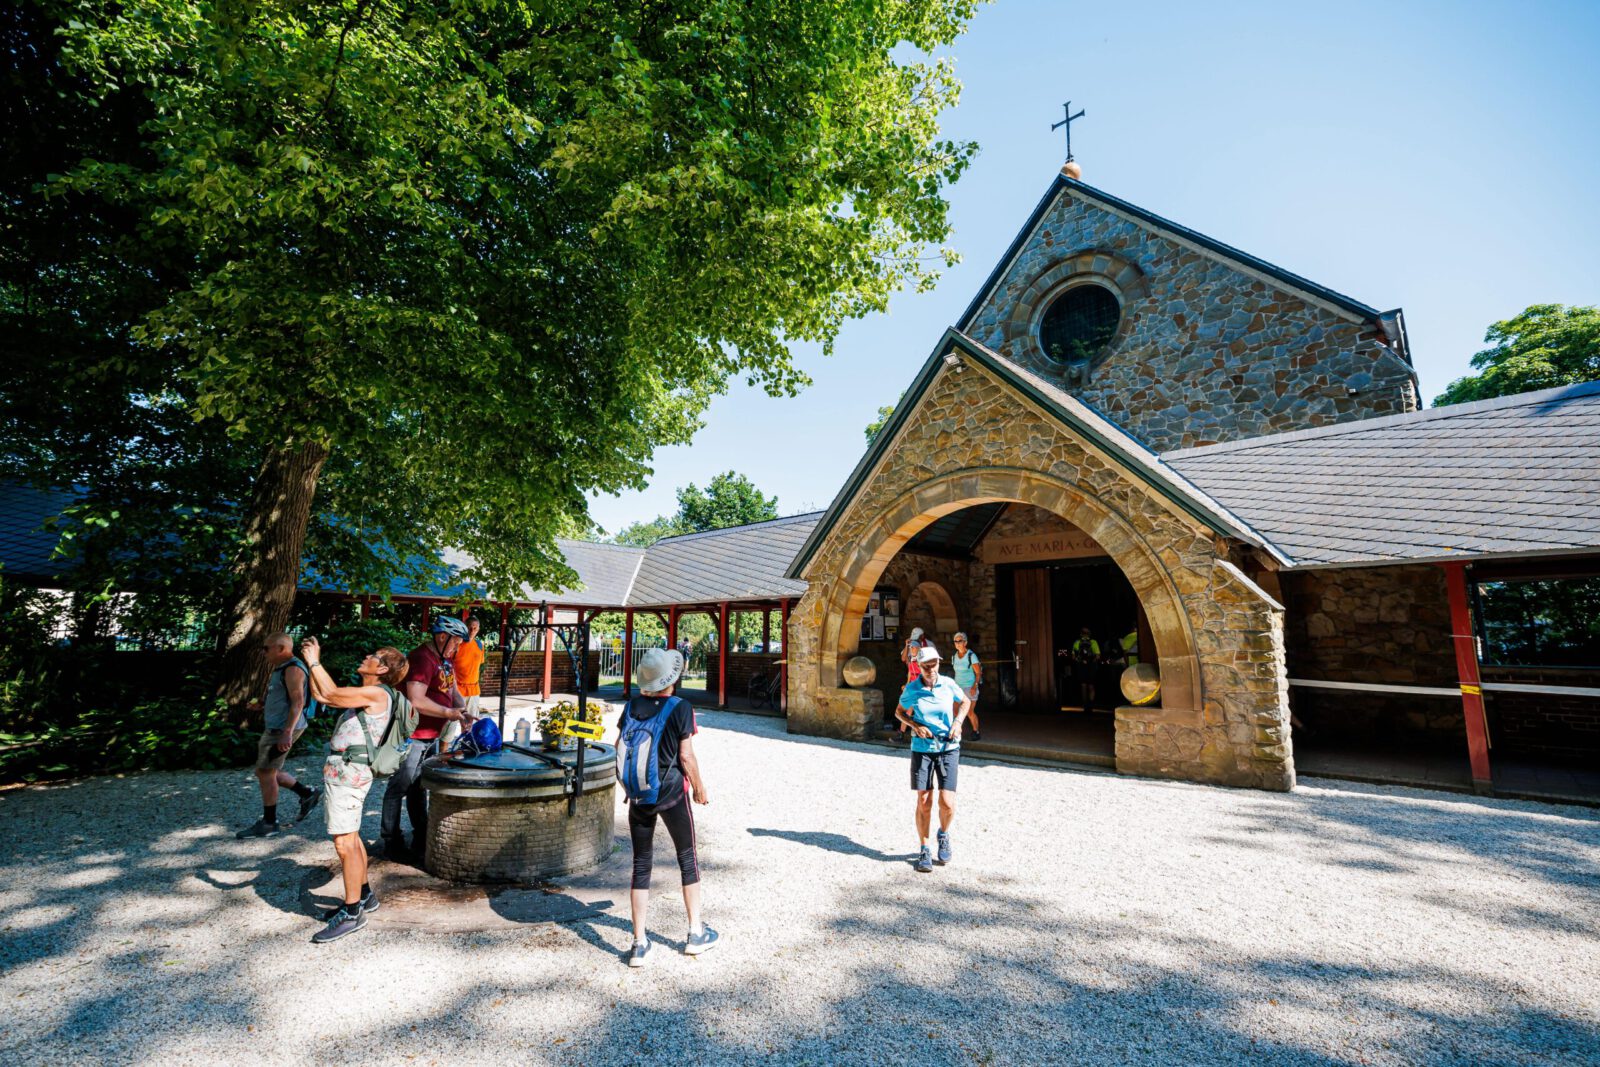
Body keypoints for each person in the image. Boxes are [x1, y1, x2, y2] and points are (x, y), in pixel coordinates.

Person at [299, 636, 409, 944]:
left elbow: (331, 692)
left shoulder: (376, 693)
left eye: (373, 655)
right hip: (348, 772)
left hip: (348, 774)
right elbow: (324, 697)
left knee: (344, 843)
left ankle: (351, 913)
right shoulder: (371, 693)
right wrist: (312, 666)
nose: (366, 656)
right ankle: (364, 896)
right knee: (353, 836)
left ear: (383, 668)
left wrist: (314, 661)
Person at [619, 647, 716, 967]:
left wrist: (630, 789)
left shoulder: (632, 705)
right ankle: (695, 933)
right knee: (687, 858)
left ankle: (638, 944)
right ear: (671, 679)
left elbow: (620, 749)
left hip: (640, 797)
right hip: (673, 793)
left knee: (641, 864)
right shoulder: (680, 707)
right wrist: (699, 788)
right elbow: (686, 756)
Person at [381, 616, 476, 861]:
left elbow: (452, 690)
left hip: (430, 736)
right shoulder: (422, 658)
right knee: (399, 787)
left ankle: (421, 834)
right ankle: (391, 841)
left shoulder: (444, 659)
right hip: (413, 736)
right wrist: (448, 713)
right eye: (455, 641)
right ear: (441, 637)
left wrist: (463, 711)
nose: (457, 647)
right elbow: (416, 699)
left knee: (419, 788)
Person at [236, 632, 322, 838]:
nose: (263, 652)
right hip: (277, 727)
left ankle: (269, 823)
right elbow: (283, 698)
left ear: (282, 648)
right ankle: (307, 793)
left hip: (282, 729)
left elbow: (298, 702)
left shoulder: (293, 669)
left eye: (267, 648)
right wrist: (262, 705)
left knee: (265, 773)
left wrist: (287, 733)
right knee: (267, 771)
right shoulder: (281, 668)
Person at [894, 646, 971, 873]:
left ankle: (943, 834)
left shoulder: (948, 684)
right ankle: (924, 848)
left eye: (934, 664)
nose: (930, 669)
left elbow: (965, 701)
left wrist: (957, 723)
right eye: (925, 665)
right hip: (922, 749)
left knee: (947, 802)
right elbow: (899, 712)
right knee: (924, 800)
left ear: (939, 663)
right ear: (918, 665)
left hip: (948, 747)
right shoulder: (912, 688)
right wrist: (915, 726)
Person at [443, 616, 486, 748]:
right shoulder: (457, 644)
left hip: (474, 691)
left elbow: (478, 665)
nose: (472, 631)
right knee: (449, 727)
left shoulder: (479, 645)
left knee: (469, 725)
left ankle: (466, 750)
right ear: (464, 627)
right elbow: (446, 665)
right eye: (469, 628)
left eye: (475, 628)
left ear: (478, 630)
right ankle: (442, 754)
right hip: (457, 690)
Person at [896, 627, 934, 738]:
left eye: (914, 647)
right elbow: (909, 670)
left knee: (918, 710)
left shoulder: (922, 659)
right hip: (912, 686)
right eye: (911, 647)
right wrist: (907, 683)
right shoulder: (912, 659)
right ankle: (902, 733)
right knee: (907, 710)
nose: (912, 649)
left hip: (920, 686)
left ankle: (919, 732)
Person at [950, 632, 983, 741]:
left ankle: (976, 731)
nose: (957, 643)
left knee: (969, 712)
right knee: (955, 711)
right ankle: (957, 732)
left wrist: (975, 686)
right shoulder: (954, 656)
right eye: (955, 641)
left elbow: (978, 673)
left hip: (969, 687)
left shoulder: (971, 656)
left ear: (965, 642)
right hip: (958, 688)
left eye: (960, 641)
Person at [1070, 626, 1101, 711]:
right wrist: (1092, 661)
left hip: (1081, 666)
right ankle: (1091, 704)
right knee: (1091, 686)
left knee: (1083, 685)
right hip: (1091, 666)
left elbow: (1073, 656)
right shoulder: (1093, 642)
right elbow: (1098, 655)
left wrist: (1080, 661)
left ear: (1081, 634)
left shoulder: (1077, 642)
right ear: (1089, 634)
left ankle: (1085, 705)